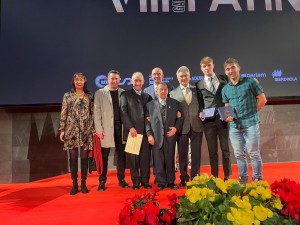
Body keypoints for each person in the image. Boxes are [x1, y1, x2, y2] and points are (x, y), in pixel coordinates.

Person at [222, 58, 267, 186]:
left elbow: (262, 100)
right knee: (239, 154)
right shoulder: (225, 89)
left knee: (253, 153)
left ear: (238, 68)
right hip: (235, 126)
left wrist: (252, 114)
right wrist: (227, 116)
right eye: (228, 69)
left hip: (251, 124)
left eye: (233, 67)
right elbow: (227, 106)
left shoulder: (250, 82)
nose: (231, 71)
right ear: (225, 72)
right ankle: (243, 179)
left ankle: (257, 179)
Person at [196, 57, 232, 181]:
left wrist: (229, 111)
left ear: (213, 65)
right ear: (201, 68)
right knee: (212, 151)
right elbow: (200, 102)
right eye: (204, 66)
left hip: (224, 116)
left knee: (225, 149)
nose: (207, 68)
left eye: (209, 65)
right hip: (208, 120)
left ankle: (227, 176)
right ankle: (215, 177)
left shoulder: (224, 78)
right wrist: (200, 112)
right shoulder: (199, 84)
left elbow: (229, 95)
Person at [94, 70, 129, 191]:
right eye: (112, 78)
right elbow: (96, 112)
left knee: (121, 155)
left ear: (119, 80)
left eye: (116, 79)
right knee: (104, 156)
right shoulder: (100, 93)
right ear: (107, 80)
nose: (114, 81)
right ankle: (102, 180)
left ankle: (121, 179)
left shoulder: (123, 93)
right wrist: (99, 129)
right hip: (106, 129)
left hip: (121, 128)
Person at [59, 72, 94, 195]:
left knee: (84, 157)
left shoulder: (89, 96)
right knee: (73, 157)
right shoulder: (67, 96)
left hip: (86, 130)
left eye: (81, 80)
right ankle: (74, 184)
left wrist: (93, 130)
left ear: (85, 82)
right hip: (71, 130)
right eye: (77, 80)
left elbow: (92, 113)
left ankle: (83, 183)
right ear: (73, 82)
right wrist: (62, 129)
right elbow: (64, 112)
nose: (79, 82)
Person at [146, 82, 184, 190]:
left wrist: (176, 128)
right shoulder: (150, 105)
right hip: (156, 137)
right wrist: (149, 134)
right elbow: (146, 121)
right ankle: (161, 182)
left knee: (169, 159)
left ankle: (171, 181)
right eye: (161, 89)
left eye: (165, 89)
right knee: (158, 160)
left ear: (168, 91)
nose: (163, 91)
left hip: (170, 136)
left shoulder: (175, 103)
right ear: (157, 92)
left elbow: (181, 117)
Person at [170, 66, 203, 187]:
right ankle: (184, 177)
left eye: (185, 75)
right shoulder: (172, 93)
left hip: (196, 125)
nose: (183, 78)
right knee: (182, 154)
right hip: (182, 128)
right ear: (178, 78)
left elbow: (202, 105)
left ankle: (195, 177)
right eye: (181, 76)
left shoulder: (197, 89)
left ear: (189, 76)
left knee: (196, 153)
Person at [120, 72, 153, 190]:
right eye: (135, 81)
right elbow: (123, 113)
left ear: (143, 82)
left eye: (140, 81)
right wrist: (131, 128)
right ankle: (135, 182)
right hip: (132, 132)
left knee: (145, 158)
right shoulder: (125, 95)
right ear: (132, 81)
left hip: (145, 132)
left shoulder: (147, 96)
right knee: (133, 159)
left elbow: (150, 113)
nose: (138, 83)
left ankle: (145, 181)